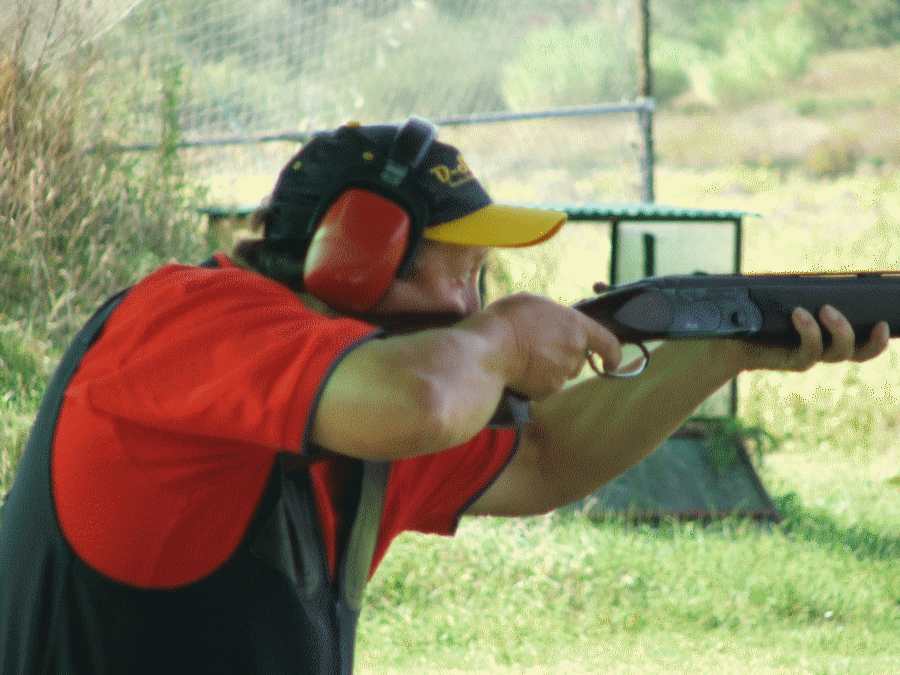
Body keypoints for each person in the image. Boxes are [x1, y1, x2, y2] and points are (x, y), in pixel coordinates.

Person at [0, 117, 891, 675]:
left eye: (485, 280)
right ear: (353, 255)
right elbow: (428, 398)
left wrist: (727, 344)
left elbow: (544, 459)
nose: (471, 303)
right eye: (457, 273)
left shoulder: (358, 407)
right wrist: (500, 339)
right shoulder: (188, 317)